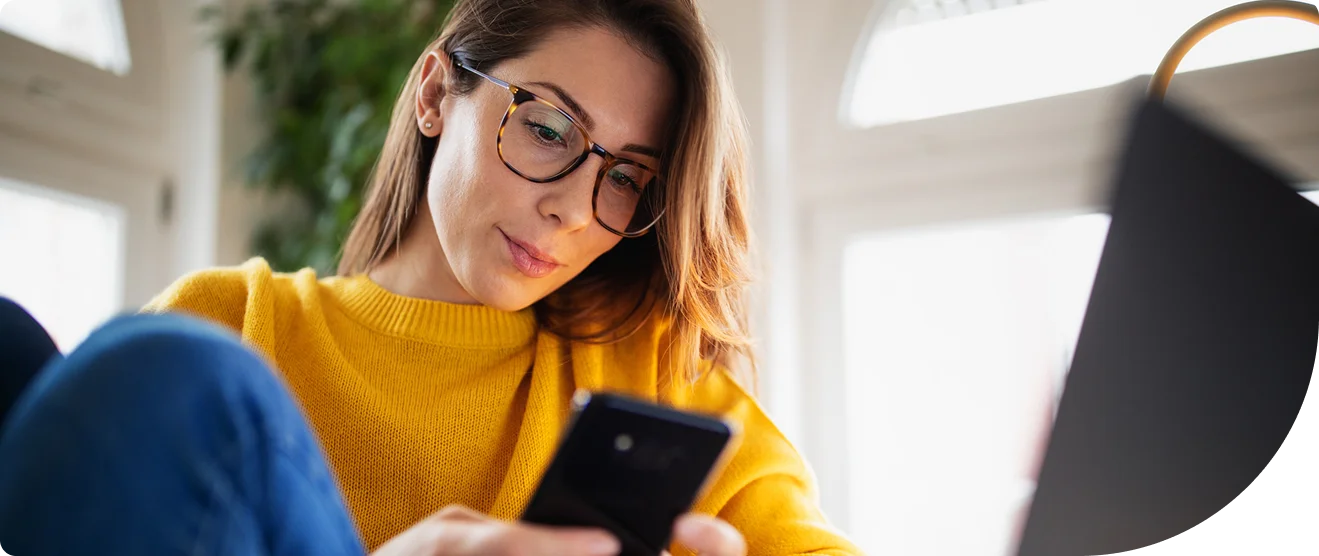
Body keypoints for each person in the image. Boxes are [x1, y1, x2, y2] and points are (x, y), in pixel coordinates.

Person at [0, 0, 861, 554]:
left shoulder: (657, 382)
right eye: (551, 129)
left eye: (628, 176)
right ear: (433, 92)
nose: (572, 207)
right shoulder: (230, 323)